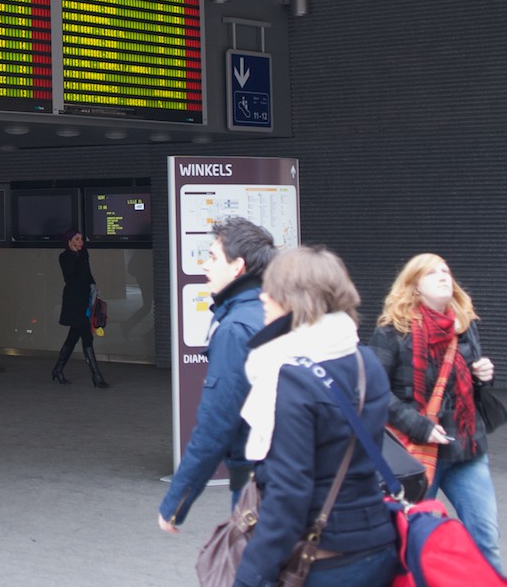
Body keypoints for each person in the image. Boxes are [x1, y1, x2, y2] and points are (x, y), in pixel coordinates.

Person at [234, 245, 398, 587]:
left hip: (324, 559)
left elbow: (289, 490)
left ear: (295, 299)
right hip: (377, 544)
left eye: (272, 290)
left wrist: (250, 576)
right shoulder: (366, 362)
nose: (263, 297)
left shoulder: (291, 376)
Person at [371, 254, 503, 573]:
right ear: (414, 286)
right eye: (432, 273)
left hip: (466, 449)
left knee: (485, 538)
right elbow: (374, 391)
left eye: (446, 271)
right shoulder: (393, 331)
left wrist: (483, 377)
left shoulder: (464, 326)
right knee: (413, 540)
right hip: (415, 454)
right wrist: (420, 426)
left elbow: (467, 387)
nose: (444, 276)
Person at [158, 216, 278, 533]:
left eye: (213, 257)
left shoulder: (236, 328)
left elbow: (216, 423)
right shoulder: (277, 312)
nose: (205, 265)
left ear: (237, 266)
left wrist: (175, 503)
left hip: (258, 479)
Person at [53, 230, 109, 387]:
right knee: (86, 336)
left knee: (73, 336)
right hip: (73, 301)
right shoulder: (64, 257)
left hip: (86, 298)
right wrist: (75, 255)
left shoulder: (84, 254)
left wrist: (94, 289)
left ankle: (58, 369)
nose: (81, 242)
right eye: (77, 239)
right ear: (69, 241)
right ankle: (96, 376)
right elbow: (69, 275)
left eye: (81, 239)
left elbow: (88, 274)